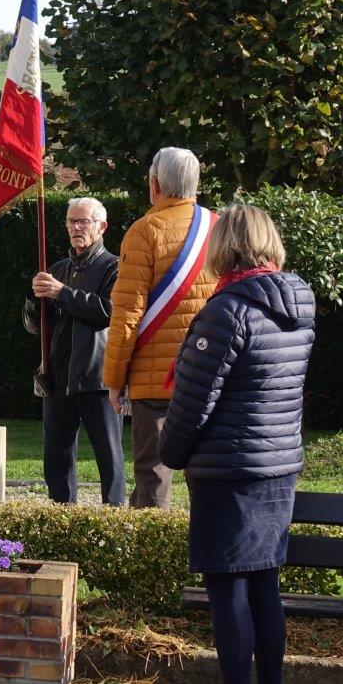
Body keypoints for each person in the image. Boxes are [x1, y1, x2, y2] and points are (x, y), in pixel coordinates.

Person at [159, 205, 312, 684]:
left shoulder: (226, 310)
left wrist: (171, 454)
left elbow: (193, 402)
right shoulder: (300, 304)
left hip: (227, 473)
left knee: (229, 595)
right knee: (265, 587)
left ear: (224, 247)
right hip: (277, 470)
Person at [103, 146, 217, 509]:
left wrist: (114, 380)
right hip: (210, 374)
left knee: (153, 480)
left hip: (155, 381)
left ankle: (149, 563)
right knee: (209, 477)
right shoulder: (219, 227)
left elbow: (127, 314)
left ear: (155, 185)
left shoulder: (144, 230)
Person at [24, 196, 125, 505]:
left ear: (102, 226)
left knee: (109, 459)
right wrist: (33, 300)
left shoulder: (116, 267)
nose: (76, 228)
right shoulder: (57, 269)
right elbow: (34, 326)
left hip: (98, 378)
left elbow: (109, 311)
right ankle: (62, 518)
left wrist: (62, 293)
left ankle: (115, 519)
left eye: (84, 221)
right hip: (58, 377)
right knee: (56, 459)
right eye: (71, 221)